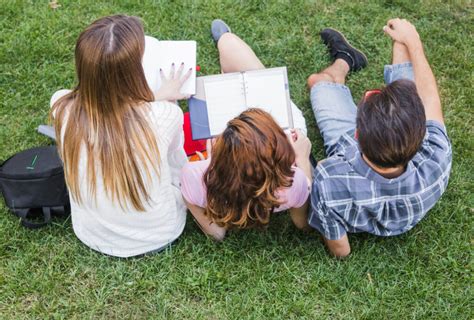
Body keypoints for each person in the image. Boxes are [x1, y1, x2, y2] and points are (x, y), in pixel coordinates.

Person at [306, 20, 452, 257]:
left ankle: (345, 60)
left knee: (319, 82)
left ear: (356, 133)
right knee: (404, 82)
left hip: (350, 150)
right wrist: (410, 41)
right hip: (384, 150)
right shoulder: (436, 155)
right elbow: (430, 99)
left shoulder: (330, 177)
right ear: (419, 130)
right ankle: (350, 57)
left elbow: (341, 251)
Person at [51, 15, 191, 257]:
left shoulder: (60, 105)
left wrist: (156, 99)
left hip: (92, 234)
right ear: (133, 73)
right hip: (160, 233)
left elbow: (112, 112)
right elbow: (179, 166)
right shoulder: (165, 115)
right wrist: (161, 100)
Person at [180, 20, 313, 240]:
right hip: (261, 143)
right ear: (280, 149)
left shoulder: (195, 176)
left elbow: (217, 233)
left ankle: (227, 62)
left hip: (242, 149)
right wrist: (303, 159)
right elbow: (302, 222)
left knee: (230, 54)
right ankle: (227, 52)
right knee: (240, 57)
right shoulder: (293, 180)